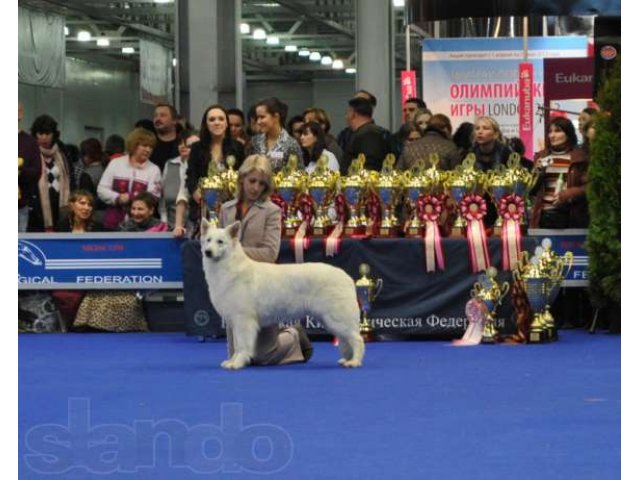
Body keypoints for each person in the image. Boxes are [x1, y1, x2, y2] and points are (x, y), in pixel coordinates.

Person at [219, 154, 312, 365]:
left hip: (262, 285)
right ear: (242, 178)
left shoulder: (272, 211)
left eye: (261, 184)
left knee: (263, 356)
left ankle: (294, 335)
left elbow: (270, 253)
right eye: (252, 181)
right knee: (239, 356)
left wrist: (234, 253)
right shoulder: (226, 209)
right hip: (233, 285)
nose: (255, 188)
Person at [74, 192, 168, 332]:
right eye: (133, 209)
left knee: (124, 297)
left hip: (148, 275)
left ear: (151, 210)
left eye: (140, 209)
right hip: (123, 273)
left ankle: (117, 327)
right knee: (98, 289)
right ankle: (92, 325)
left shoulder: (163, 228)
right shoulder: (124, 226)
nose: (136, 213)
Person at [185, 105, 246, 228]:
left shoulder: (237, 147)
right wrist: (195, 191)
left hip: (230, 205)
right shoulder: (197, 147)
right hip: (203, 205)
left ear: (227, 123)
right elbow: (191, 174)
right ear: (206, 124)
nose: (217, 123)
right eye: (212, 120)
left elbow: (243, 175)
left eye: (221, 119)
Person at [98, 127, 163, 230]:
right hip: (113, 222)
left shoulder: (154, 170)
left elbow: (154, 196)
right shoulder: (115, 163)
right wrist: (118, 198)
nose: (148, 150)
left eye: (151, 147)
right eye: (145, 145)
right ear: (134, 145)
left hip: (142, 227)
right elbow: (101, 190)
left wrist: (130, 197)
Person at [530, 117, 588, 229]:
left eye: (557, 131)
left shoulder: (579, 156)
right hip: (544, 216)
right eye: (550, 131)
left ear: (568, 133)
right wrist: (537, 174)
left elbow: (589, 187)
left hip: (571, 216)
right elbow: (532, 191)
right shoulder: (541, 156)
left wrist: (569, 194)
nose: (552, 135)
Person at [30, 114, 73, 232]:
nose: (44, 137)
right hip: (38, 208)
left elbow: (71, 177)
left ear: (54, 134)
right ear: (35, 134)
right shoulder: (31, 153)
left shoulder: (63, 152)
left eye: (47, 133)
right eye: (40, 133)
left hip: (61, 204)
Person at [247, 97, 304, 172]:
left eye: (262, 117)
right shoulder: (255, 142)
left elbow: (299, 175)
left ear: (276, 117)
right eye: (257, 118)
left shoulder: (291, 145)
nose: (258, 122)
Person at [161, 129, 199, 233]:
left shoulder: (201, 166)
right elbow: (163, 197)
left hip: (196, 221)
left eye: (188, 145)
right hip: (171, 224)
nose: (183, 146)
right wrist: (164, 223)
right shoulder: (169, 164)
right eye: (180, 143)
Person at [343, 96, 391, 172]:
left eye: (348, 112)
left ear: (353, 114)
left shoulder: (369, 134)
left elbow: (370, 166)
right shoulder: (365, 132)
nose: (346, 116)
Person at [18, 102, 41, 232]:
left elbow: (36, 172)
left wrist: (20, 171)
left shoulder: (30, 142)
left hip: (19, 207)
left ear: (20, 114)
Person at [149, 103, 181, 171]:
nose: (158, 119)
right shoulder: (148, 144)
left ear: (174, 120)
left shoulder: (182, 144)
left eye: (163, 115)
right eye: (155, 115)